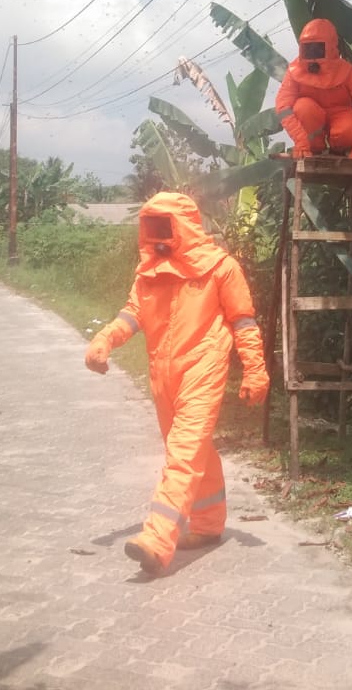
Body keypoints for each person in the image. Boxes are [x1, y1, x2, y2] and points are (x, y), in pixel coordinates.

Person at [83, 192, 269, 575]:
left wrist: (255, 369)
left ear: (182, 224)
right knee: (192, 447)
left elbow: (243, 321)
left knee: (183, 452)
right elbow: (133, 314)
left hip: (203, 370)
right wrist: (105, 339)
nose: (155, 235)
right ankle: (208, 523)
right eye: (150, 226)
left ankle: (157, 538)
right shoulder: (150, 270)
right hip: (163, 376)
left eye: (162, 226)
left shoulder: (220, 267)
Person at [275, 17, 352, 159]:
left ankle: (338, 150)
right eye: (308, 49)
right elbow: (283, 107)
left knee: (348, 129)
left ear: (330, 47)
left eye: (317, 49)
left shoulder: (347, 70)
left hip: (341, 115)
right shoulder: (294, 71)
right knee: (303, 107)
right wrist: (301, 142)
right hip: (310, 124)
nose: (312, 55)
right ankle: (316, 148)